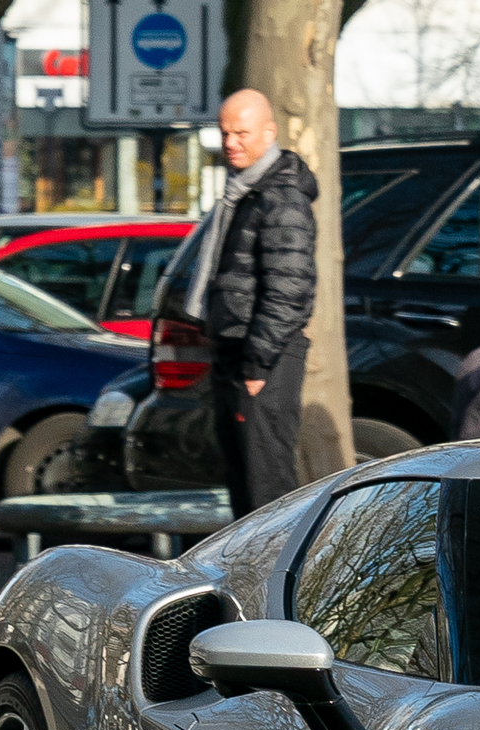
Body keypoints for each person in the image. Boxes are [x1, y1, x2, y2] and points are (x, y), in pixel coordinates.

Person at [186, 88, 317, 517]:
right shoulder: (244, 192)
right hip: (237, 352)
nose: (230, 143)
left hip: (262, 358)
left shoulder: (281, 198)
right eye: (224, 133)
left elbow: (290, 290)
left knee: (268, 490)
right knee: (245, 489)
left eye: (241, 133)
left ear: (269, 132)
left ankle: (275, 581)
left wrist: (257, 366)